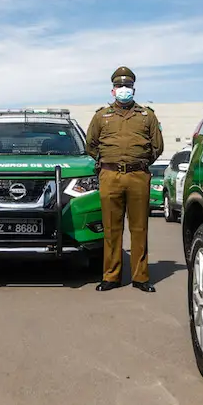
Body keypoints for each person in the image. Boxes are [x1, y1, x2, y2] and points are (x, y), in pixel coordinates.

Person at [85, 66, 164, 292]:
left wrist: (140, 162)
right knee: (111, 228)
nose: (123, 90)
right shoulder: (101, 116)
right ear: (113, 91)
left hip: (138, 175)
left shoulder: (147, 116)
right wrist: (105, 164)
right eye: (119, 86)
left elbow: (157, 146)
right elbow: (91, 145)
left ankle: (141, 277)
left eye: (127, 86)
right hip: (109, 176)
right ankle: (111, 276)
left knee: (139, 228)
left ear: (133, 89)